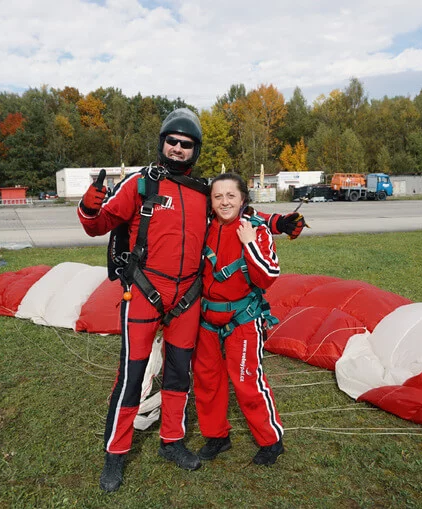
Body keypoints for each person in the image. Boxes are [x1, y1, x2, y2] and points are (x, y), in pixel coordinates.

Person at [77, 108, 307, 493]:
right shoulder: (140, 185)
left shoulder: (203, 192)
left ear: (195, 150)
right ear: (162, 143)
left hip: (187, 300)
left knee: (179, 374)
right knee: (132, 377)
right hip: (145, 294)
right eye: (173, 142)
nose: (178, 149)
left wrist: (280, 223)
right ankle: (115, 455)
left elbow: (240, 211)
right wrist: (90, 203)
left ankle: (172, 441)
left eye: (187, 144)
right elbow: (96, 224)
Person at [193, 173, 284, 467]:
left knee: (246, 380)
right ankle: (217, 436)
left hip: (243, 318)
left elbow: (267, 276)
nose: (224, 202)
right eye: (218, 196)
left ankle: (271, 441)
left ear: (243, 198)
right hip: (207, 319)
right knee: (207, 380)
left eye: (231, 195)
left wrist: (248, 244)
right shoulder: (204, 229)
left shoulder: (256, 230)